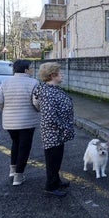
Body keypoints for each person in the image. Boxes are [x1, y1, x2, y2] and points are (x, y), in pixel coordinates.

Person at [32, 62, 75, 198]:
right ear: (52, 75)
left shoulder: (50, 89)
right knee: (52, 161)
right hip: (53, 133)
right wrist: (65, 127)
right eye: (59, 73)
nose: (62, 75)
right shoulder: (49, 92)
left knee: (57, 159)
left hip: (57, 133)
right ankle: (50, 186)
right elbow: (50, 117)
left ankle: (56, 181)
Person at [0, 60, 39, 186]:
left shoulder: (5, 82)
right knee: (24, 147)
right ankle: (18, 176)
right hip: (27, 121)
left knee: (15, 143)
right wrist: (37, 110)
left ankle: (12, 171)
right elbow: (36, 102)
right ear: (25, 70)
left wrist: (5, 110)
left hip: (9, 122)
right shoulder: (34, 82)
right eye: (31, 67)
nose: (32, 69)